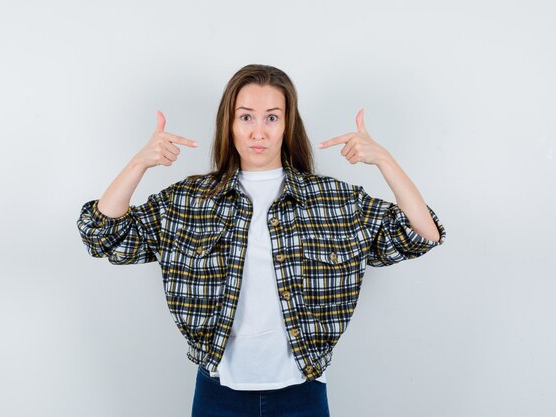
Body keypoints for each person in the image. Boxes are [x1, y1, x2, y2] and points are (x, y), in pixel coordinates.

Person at [77, 64, 446, 417]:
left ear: (287, 125)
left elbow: (422, 233)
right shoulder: (189, 200)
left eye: (272, 117)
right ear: (230, 124)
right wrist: (138, 163)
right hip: (217, 394)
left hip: (303, 393)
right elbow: (103, 235)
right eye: (246, 116)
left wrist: (384, 159)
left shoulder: (333, 200)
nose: (259, 132)